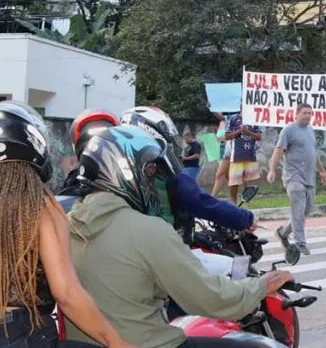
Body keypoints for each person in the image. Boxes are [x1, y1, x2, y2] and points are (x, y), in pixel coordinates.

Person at [67, 126, 293, 348]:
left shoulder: (66, 225)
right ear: (121, 172)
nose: (154, 188)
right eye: (149, 175)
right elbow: (212, 299)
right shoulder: (147, 230)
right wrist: (261, 285)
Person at [0, 102, 131, 348]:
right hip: (22, 333)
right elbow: (67, 294)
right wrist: (117, 342)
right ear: (35, 144)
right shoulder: (41, 206)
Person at [118, 107, 254, 236]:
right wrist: (246, 219)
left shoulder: (113, 177)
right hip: (164, 247)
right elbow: (205, 204)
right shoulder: (167, 178)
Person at [267, 103, 326, 254]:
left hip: (309, 177)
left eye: (310, 113)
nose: (308, 116)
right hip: (293, 176)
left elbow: (313, 154)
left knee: (305, 210)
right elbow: (278, 151)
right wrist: (272, 170)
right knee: (298, 209)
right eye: (305, 113)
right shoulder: (288, 130)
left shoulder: (310, 131)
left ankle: (282, 232)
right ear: (296, 114)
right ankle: (300, 243)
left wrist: (322, 171)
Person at [224, 112, 262, 204]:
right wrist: (239, 131)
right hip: (236, 157)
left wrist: (247, 132)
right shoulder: (233, 118)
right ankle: (233, 207)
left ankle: (247, 208)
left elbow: (259, 137)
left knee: (249, 187)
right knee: (234, 185)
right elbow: (227, 136)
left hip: (250, 158)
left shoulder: (254, 118)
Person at [210, 113, 230, 198]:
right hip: (221, 151)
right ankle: (235, 196)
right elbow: (219, 139)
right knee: (227, 176)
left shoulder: (229, 120)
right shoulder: (221, 123)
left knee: (220, 174)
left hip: (228, 151)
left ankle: (212, 198)